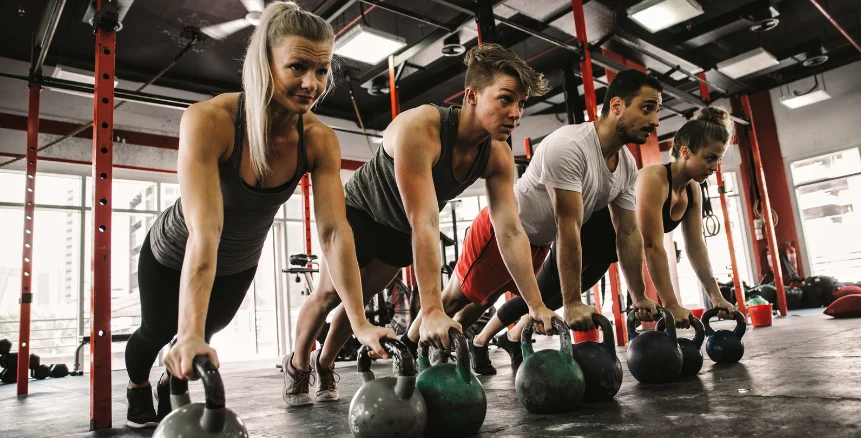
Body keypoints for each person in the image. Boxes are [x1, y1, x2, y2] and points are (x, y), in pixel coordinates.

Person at [123, 2, 393, 428]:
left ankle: (169, 372)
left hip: (239, 259)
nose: (312, 84)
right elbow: (205, 231)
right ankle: (138, 386)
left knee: (208, 332)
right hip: (178, 249)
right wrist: (187, 330)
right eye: (298, 67)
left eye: (322, 71)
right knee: (158, 330)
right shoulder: (209, 120)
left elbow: (334, 232)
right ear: (264, 63)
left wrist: (359, 323)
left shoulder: (319, 139)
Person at [285, 43, 553, 405]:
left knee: (360, 302)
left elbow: (509, 230)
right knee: (330, 295)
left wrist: (535, 304)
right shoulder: (421, 128)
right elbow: (425, 220)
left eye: (521, 104)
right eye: (506, 99)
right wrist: (431, 311)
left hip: (400, 231)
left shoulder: (498, 155)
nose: (516, 113)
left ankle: (326, 363)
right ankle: (300, 364)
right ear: (471, 96)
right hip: (361, 215)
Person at [462, 70, 679, 375]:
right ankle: (430, 350)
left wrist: (639, 295)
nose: (655, 121)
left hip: (537, 242)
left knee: (511, 300)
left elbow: (629, 233)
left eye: (657, 111)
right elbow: (569, 226)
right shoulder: (570, 145)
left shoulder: (627, 165)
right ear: (616, 106)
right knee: (472, 301)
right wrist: (573, 301)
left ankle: (480, 344)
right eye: (647, 108)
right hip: (503, 228)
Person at [635, 107, 738, 320]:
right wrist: (671, 304)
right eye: (710, 158)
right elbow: (652, 246)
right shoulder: (654, 178)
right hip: (588, 246)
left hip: (610, 256)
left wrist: (717, 297)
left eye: (718, 160)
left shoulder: (692, 190)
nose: (715, 167)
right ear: (685, 152)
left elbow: (696, 246)